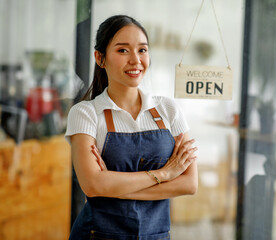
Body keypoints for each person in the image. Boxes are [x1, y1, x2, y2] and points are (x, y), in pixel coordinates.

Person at [65, 15, 198, 240]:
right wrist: (164, 174)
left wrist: (115, 188)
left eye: (142, 50)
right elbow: (93, 185)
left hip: (155, 235)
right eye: (123, 51)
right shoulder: (85, 114)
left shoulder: (169, 109)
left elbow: (188, 183)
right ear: (100, 58)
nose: (135, 60)